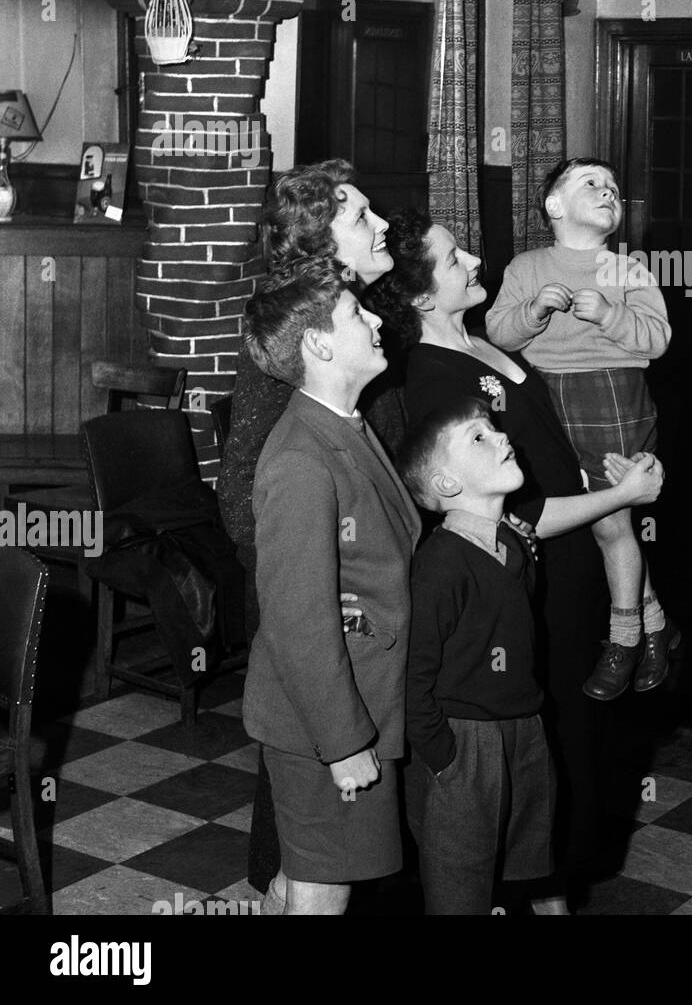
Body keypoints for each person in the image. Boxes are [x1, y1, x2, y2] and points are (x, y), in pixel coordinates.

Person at [367, 210, 645, 906]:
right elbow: (516, 514)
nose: (472, 259)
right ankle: (545, 892)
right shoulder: (434, 378)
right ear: (424, 297)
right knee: (559, 737)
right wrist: (619, 499)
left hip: (576, 568)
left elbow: (549, 453)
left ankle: (553, 891)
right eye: (453, 255)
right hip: (538, 579)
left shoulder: (486, 340)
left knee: (573, 746)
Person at [216, 158, 400, 907]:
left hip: (345, 609)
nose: (381, 223)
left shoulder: (366, 320)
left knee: (321, 854)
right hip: (309, 601)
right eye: (360, 216)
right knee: (309, 834)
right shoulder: (305, 339)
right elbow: (247, 490)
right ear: (322, 248)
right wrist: (323, 583)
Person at [399, 398, 663, 914]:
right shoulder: (440, 566)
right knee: (459, 891)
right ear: (447, 485)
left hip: (523, 730)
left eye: (494, 429)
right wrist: (445, 758)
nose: (501, 437)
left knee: (525, 867)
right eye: (478, 438)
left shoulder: (513, 545)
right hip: (465, 742)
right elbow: (412, 680)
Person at [240, 256, 422, 915]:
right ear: (317, 343)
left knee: (301, 878)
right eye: (356, 313)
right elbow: (299, 621)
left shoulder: (345, 423)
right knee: (322, 893)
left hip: (358, 704)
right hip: (321, 724)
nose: (376, 318)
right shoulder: (299, 459)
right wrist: (344, 742)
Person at [485, 159, 676, 702]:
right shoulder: (526, 265)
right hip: (545, 398)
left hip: (611, 396)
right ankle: (657, 623)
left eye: (614, 187)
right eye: (591, 183)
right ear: (553, 207)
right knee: (598, 519)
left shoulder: (628, 269)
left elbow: (657, 340)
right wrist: (534, 310)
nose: (607, 191)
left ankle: (625, 639)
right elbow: (499, 330)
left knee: (611, 523)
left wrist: (608, 317)